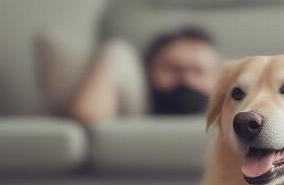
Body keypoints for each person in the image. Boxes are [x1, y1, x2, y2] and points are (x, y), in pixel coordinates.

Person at [70, 27, 220, 125]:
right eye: (173, 69)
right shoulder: (134, 104)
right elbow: (88, 116)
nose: (186, 79)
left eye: (198, 71)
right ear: (149, 72)